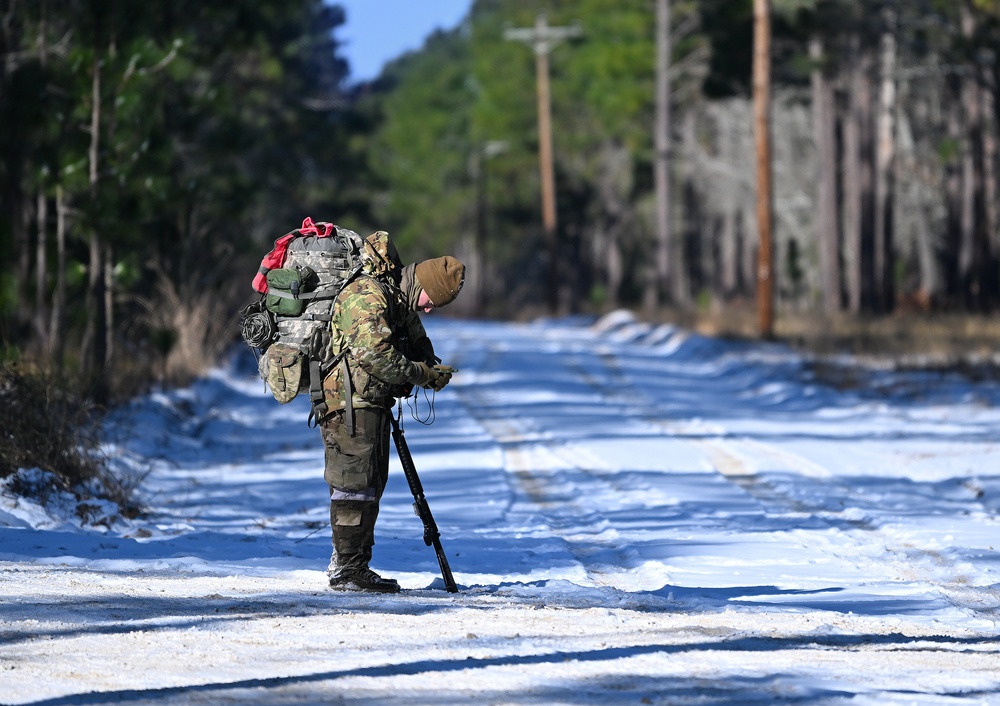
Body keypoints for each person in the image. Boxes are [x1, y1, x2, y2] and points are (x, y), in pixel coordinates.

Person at [320, 232, 465, 593]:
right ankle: (347, 569)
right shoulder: (370, 293)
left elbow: (402, 347)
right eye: (432, 301)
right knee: (354, 485)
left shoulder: (395, 296)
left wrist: (426, 368)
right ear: (423, 284)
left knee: (369, 484)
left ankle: (354, 564)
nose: (429, 309)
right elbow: (375, 355)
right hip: (349, 402)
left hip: (367, 400)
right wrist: (420, 374)